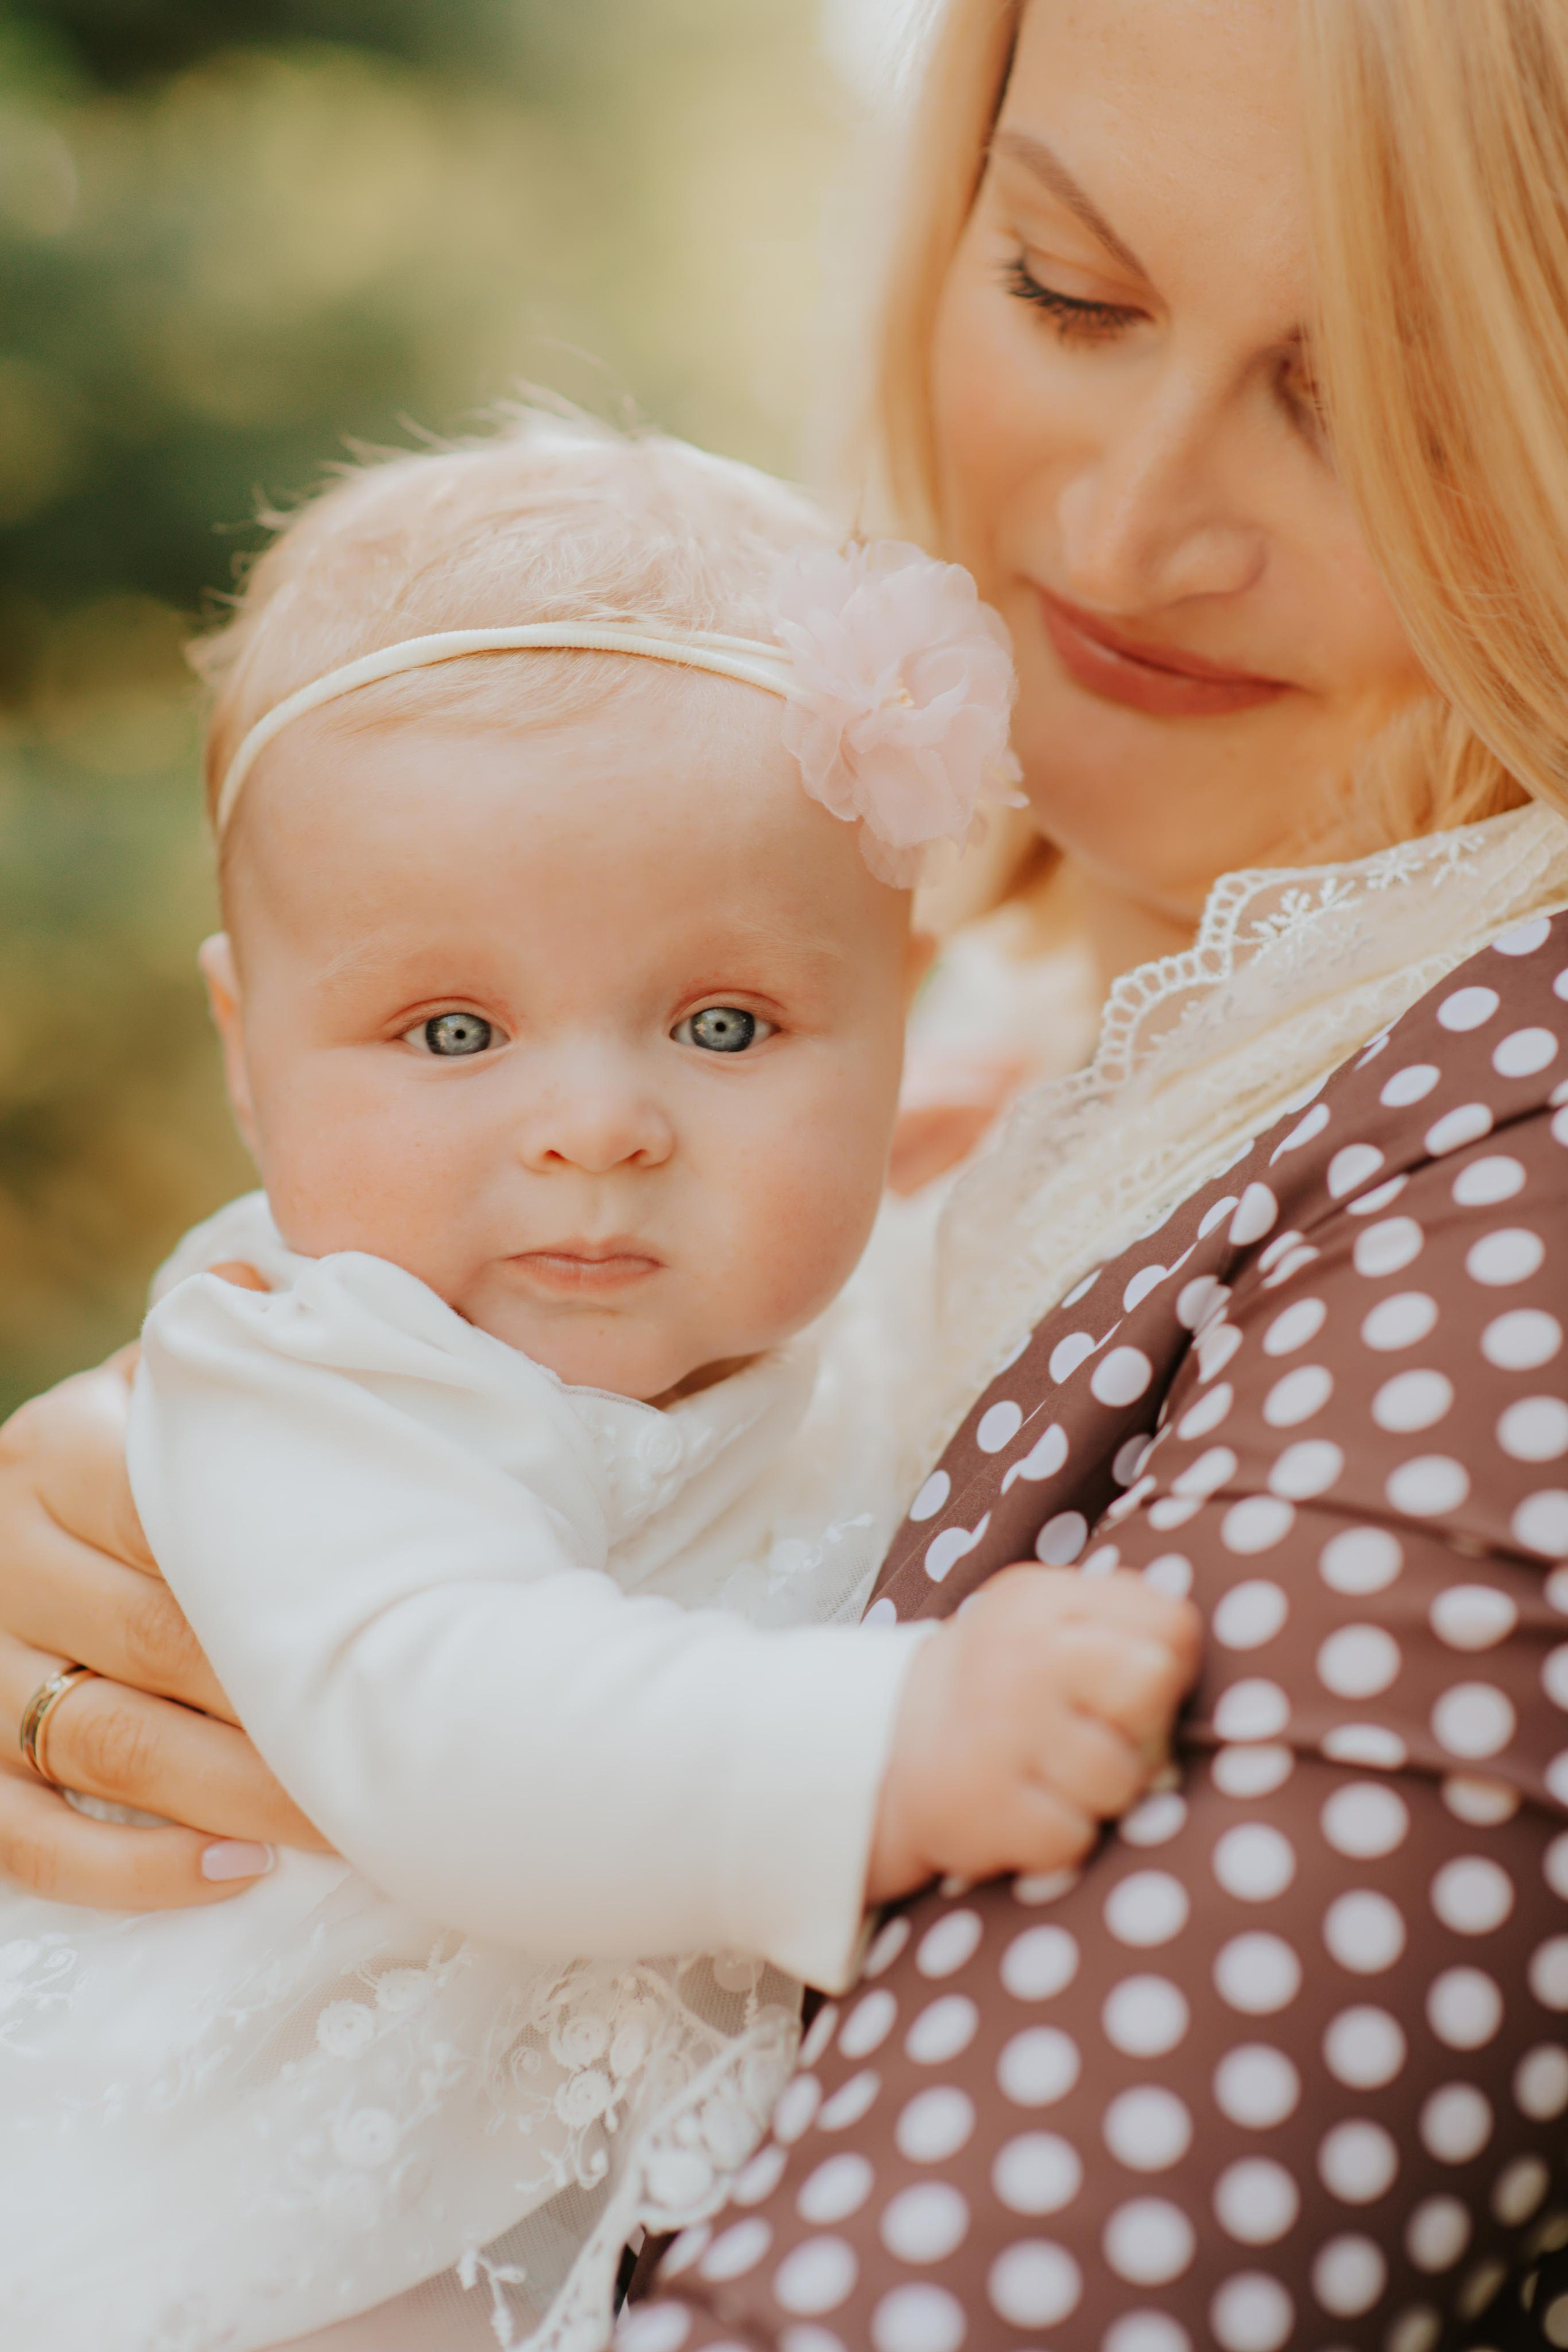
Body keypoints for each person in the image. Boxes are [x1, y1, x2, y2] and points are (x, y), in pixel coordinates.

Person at [5, 0, 1568, 2341]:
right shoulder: (986, 1084)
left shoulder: (1476, 1137)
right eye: (1070, 292)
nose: (1134, 524)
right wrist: (112, 1540)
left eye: (1395, 393)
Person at [0, 415, 1197, 2352]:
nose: (595, 1126)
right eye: (449, 1027)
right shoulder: (322, 1371)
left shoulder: (852, 1272)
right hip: (219, 2236)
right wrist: (876, 1748)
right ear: (249, 1052)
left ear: (893, 1028)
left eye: (727, 1022)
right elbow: (446, 1710)